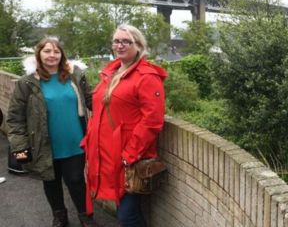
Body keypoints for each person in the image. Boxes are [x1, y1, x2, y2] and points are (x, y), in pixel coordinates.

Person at [6, 37, 97, 226]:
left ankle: (85, 217)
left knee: (77, 180)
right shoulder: (27, 83)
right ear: (38, 54)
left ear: (62, 55)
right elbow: (15, 118)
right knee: (50, 181)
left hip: (75, 142)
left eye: (56, 51)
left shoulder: (75, 77)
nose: (52, 55)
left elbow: (92, 100)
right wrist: (20, 149)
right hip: (43, 144)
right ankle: (60, 216)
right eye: (47, 51)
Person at [82, 24, 167, 227]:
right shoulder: (110, 73)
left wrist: (129, 155)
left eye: (126, 41)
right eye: (116, 41)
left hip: (129, 158)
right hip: (107, 154)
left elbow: (152, 121)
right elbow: (98, 114)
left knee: (127, 215)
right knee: (127, 211)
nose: (120, 45)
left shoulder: (147, 77)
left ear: (138, 45)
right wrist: (89, 146)